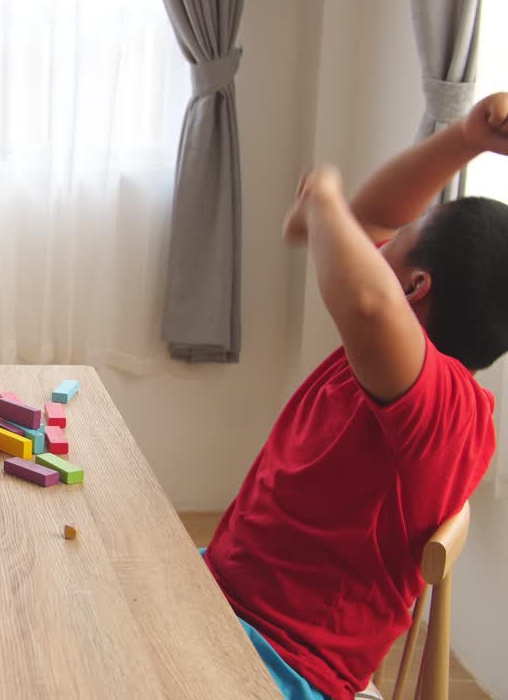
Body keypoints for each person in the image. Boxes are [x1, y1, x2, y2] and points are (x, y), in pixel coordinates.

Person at [205, 92, 508, 699]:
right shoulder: (386, 365)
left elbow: (368, 298)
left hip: (285, 664)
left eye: (404, 235)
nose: (381, 239)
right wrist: (464, 140)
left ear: (415, 288)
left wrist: (322, 194)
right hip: (223, 594)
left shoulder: (448, 410)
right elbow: (366, 220)